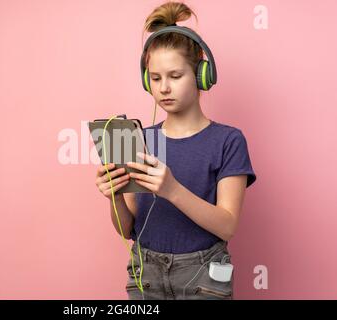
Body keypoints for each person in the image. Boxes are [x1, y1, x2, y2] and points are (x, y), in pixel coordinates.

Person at [95, 1, 256, 300]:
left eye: (175, 76)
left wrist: (171, 189)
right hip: (146, 272)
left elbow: (228, 225)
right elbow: (127, 228)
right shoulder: (140, 139)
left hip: (203, 274)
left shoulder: (228, 140)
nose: (164, 88)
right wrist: (114, 195)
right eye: (155, 79)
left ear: (200, 75)